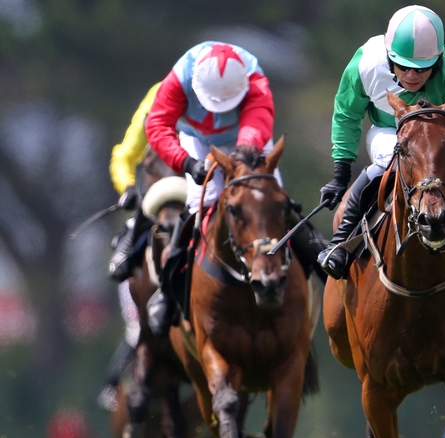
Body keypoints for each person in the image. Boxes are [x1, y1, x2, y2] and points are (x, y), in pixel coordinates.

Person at [316, 5, 445, 286]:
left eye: (421, 69)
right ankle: (340, 242)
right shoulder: (365, 62)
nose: (411, 76)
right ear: (388, 57)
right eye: (403, 66)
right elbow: (347, 114)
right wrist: (340, 172)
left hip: (441, 135)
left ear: (437, 60)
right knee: (387, 161)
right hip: (391, 131)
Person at [145, 41, 326, 336]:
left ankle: (324, 264)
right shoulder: (180, 77)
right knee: (197, 204)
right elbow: (157, 125)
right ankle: (167, 292)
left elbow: (256, 125)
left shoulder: (254, 79)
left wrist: (240, 167)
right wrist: (188, 163)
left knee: (270, 197)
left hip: (246, 141)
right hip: (197, 140)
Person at [99, 82, 165, 412]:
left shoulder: (227, 100)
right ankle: (114, 380)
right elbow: (124, 155)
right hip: (162, 199)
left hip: (206, 197)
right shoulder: (157, 98)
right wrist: (126, 186)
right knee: (130, 241)